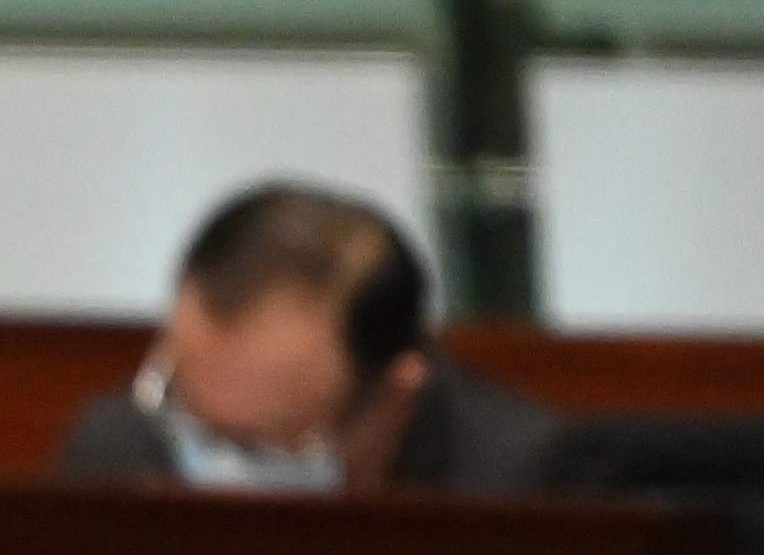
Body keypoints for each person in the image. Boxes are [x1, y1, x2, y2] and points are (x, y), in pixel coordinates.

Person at [52, 184, 560, 497]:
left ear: (394, 400)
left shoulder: (521, 492)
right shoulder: (117, 453)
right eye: (181, 404)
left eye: (264, 445)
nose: (211, 466)